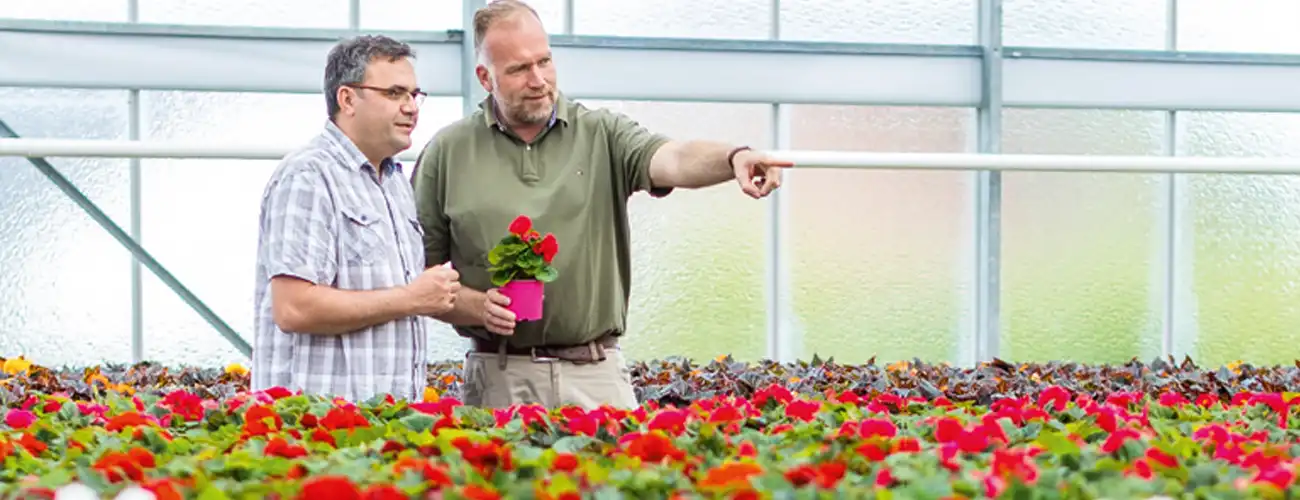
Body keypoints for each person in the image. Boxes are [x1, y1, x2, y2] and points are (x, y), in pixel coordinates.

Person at [412, 0, 791, 410]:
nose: (538, 79)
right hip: (498, 377)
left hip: (596, 376)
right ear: (486, 77)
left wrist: (734, 156)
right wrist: (475, 306)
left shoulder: (602, 135)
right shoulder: (448, 153)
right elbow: (418, 278)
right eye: (520, 69)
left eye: (545, 61)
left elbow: (674, 157)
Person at [251, 35, 462, 403]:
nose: (411, 107)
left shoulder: (394, 181)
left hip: (381, 428)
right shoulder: (309, 176)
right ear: (347, 99)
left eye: (414, 95)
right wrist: (410, 298)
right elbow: (294, 307)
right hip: (315, 432)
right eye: (395, 93)